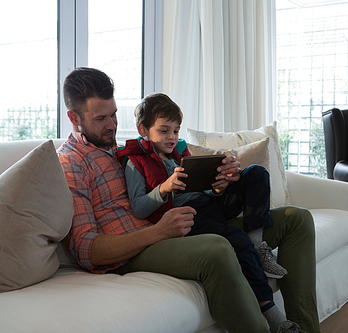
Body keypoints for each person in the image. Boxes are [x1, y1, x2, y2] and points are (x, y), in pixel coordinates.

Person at [57, 67, 320, 333]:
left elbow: (181, 180)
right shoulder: (71, 162)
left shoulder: (123, 148)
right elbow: (85, 249)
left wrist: (219, 183)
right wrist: (157, 232)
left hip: (182, 223)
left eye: (113, 115)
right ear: (73, 117)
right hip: (136, 249)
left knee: (296, 220)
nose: (112, 125)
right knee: (216, 248)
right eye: (101, 118)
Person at [115, 92, 290, 330]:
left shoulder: (181, 153)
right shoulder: (134, 162)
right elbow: (138, 208)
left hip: (211, 204)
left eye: (176, 131)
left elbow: (203, 190)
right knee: (235, 239)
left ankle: (258, 245)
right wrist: (164, 188)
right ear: (143, 129)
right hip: (189, 216)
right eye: (164, 130)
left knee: (257, 172)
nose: (172, 137)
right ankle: (273, 316)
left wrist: (219, 186)